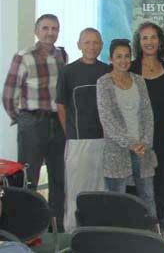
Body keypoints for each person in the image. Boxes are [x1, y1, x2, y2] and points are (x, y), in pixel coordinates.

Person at [3, 14, 67, 229]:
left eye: (54, 28)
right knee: (29, 179)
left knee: (59, 179)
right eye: (45, 28)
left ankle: (55, 227)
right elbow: (8, 95)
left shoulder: (62, 56)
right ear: (36, 31)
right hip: (33, 123)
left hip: (57, 123)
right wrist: (22, 119)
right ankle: (26, 228)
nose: (50, 32)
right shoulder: (24, 57)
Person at [56, 28, 109, 231]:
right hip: (78, 141)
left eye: (96, 43)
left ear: (101, 45)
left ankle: (97, 230)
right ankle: (72, 232)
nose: (91, 47)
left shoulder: (107, 70)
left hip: (104, 140)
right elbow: (61, 106)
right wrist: (69, 133)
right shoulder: (68, 72)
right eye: (87, 42)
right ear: (79, 45)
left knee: (100, 188)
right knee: (76, 189)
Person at [96, 39, 157, 210]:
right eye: (119, 56)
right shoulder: (103, 83)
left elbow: (147, 113)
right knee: (118, 202)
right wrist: (130, 144)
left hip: (142, 149)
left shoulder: (139, 81)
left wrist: (144, 142)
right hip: (117, 151)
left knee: (148, 197)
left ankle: (152, 227)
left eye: (127, 56)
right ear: (111, 59)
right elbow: (107, 119)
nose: (123, 60)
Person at [129, 22, 164, 218]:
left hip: (162, 136)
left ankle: (161, 227)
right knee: (137, 185)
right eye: (145, 38)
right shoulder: (130, 69)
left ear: (160, 41)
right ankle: (138, 227)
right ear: (139, 42)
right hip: (136, 138)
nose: (149, 42)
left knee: (161, 182)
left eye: (153, 37)